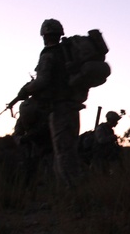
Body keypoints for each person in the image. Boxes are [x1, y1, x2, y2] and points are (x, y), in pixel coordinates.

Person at [10, 18, 88, 188]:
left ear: (44, 35)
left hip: (60, 108)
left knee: (63, 153)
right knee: (68, 150)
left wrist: (26, 90)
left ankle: (72, 195)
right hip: (72, 107)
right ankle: (68, 191)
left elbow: (43, 81)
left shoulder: (49, 54)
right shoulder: (66, 54)